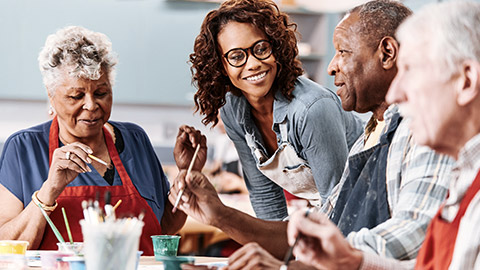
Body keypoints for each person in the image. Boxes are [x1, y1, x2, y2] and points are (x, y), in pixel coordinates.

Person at [170, 0, 454, 266]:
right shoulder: (371, 135)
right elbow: (329, 227)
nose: (331, 67)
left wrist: (287, 267)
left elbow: (378, 240)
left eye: (342, 52)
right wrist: (222, 217)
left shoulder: (419, 131)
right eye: (236, 56)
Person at [288, 1, 480, 269]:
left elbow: (413, 235)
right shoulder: (464, 175)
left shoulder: (424, 137)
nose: (395, 94)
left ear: (467, 80)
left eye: (411, 70)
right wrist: (349, 260)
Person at [0, 26, 187, 255]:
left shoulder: (135, 141)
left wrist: (186, 176)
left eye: (101, 93)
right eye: (76, 96)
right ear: (51, 95)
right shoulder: (23, 149)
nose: (91, 105)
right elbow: (6, 246)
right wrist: (49, 190)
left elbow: (163, 226)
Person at [189, 0, 364, 220]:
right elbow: (265, 195)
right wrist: (274, 253)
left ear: (276, 49)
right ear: (221, 66)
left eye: (261, 48)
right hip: (337, 215)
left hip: (368, 209)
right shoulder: (233, 110)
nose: (252, 64)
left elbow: (339, 205)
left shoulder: (311, 109)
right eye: (236, 56)